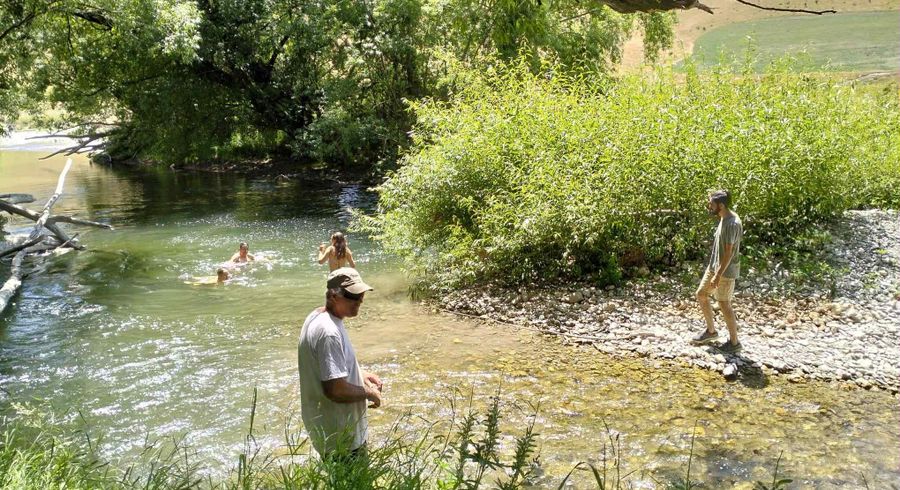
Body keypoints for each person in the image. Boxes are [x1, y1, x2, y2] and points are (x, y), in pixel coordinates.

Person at [297, 267, 382, 458]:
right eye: (353, 296)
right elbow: (335, 390)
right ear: (333, 296)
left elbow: (327, 366)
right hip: (343, 439)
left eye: (361, 295)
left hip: (331, 432)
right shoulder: (329, 332)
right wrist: (370, 393)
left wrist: (360, 375)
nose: (360, 300)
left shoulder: (318, 316)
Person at [692, 190, 744, 353]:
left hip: (725, 272)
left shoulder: (732, 223)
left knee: (724, 303)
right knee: (702, 294)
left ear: (721, 205)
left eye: (711, 204)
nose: (709, 206)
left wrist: (718, 275)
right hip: (714, 267)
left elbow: (729, 253)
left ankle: (734, 343)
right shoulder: (723, 217)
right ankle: (711, 332)